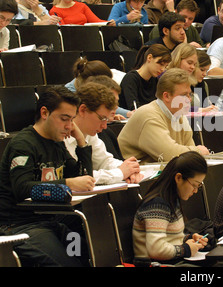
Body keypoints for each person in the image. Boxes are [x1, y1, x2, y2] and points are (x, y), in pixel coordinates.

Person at [0, 86, 95, 267]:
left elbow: (85, 179)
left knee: (86, 254)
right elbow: (22, 188)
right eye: (64, 119)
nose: (69, 126)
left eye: (72, 120)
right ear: (44, 112)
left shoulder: (56, 142)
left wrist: (82, 142)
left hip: (50, 220)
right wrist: (67, 183)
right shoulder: (23, 144)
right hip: (18, 225)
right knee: (67, 264)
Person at [118, 68, 209, 163]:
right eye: (184, 95)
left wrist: (195, 152)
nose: (189, 100)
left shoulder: (180, 115)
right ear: (166, 96)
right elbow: (169, 155)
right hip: (135, 174)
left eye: (189, 94)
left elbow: (189, 154)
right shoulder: (148, 115)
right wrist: (198, 151)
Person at [133, 151, 208, 265]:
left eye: (198, 186)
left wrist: (188, 238)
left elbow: (170, 239)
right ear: (178, 178)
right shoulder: (157, 205)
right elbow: (156, 249)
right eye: (194, 185)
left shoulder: (171, 199)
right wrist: (186, 249)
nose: (195, 190)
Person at [64, 82, 143, 184]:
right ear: (83, 110)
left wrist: (130, 169)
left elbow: (104, 161)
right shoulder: (61, 134)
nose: (105, 126)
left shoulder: (89, 133)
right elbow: (79, 176)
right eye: (102, 118)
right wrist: (120, 173)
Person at [119, 44, 172, 111]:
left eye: (165, 66)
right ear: (149, 58)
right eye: (161, 64)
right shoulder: (131, 78)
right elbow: (134, 108)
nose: (163, 69)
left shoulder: (155, 80)